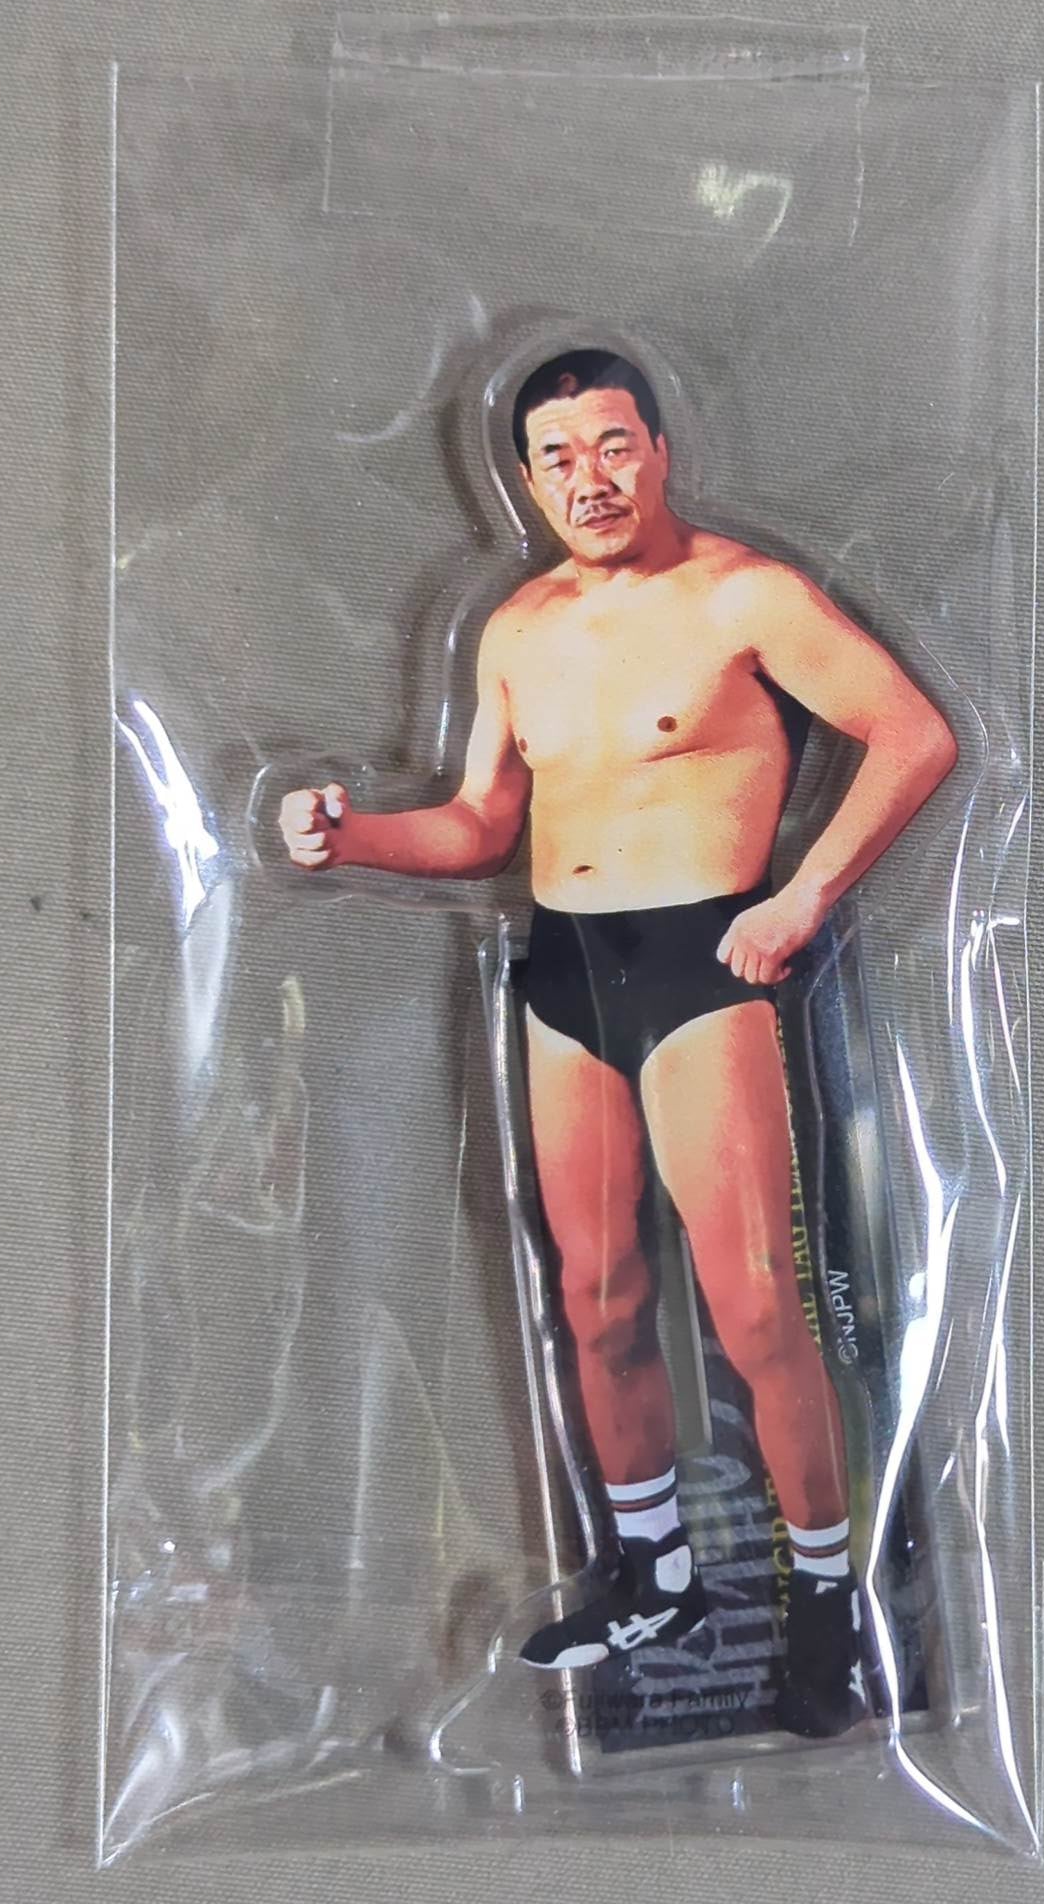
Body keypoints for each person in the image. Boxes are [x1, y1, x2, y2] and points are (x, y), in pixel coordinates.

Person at [279, 348, 956, 1734]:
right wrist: (353, 837)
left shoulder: (744, 596)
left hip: (706, 962)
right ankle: (652, 1572)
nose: (588, 479)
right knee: (594, 1295)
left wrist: (801, 899)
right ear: (525, 482)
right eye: (557, 458)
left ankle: (830, 1604)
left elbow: (912, 736)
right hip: (566, 972)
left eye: (611, 447)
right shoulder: (518, 628)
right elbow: (483, 824)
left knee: (755, 1305)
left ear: (658, 449)